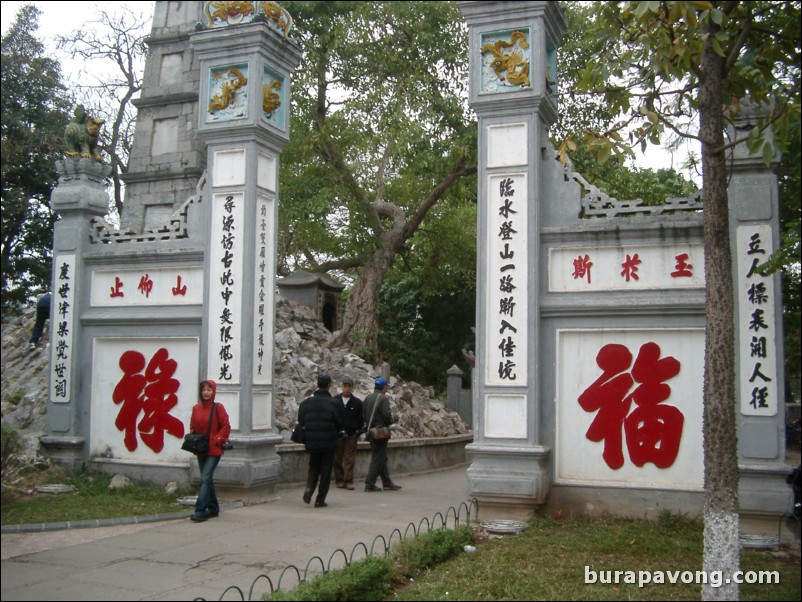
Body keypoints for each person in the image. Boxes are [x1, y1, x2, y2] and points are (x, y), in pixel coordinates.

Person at [298, 371, 343, 507]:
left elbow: (301, 421)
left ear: (317, 384)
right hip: (329, 443)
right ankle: (320, 499)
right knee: (326, 470)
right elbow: (340, 423)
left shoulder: (306, 403)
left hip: (312, 442)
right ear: (329, 385)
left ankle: (308, 489)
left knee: (313, 467)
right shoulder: (334, 403)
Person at [188, 380, 231, 522]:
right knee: (207, 478)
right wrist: (193, 438)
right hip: (201, 448)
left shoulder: (218, 408)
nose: (206, 392)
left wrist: (218, 439)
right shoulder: (196, 408)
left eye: (209, 390)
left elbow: (225, 426)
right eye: (204, 390)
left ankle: (200, 509)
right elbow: (193, 425)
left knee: (205, 477)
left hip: (214, 448)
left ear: (213, 391)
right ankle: (213, 507)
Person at [362, 377, 401, 492]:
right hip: (380, 432)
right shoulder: (383, 398)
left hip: (370, 432)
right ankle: (369, 483)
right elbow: (386, 415)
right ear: (384, 387)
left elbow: (363, 414)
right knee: (378, 458)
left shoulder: (368, 398)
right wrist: (392, 421)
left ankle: (387, 482)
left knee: (381, 457)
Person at [332, 376, 364, 490]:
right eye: (344, 386)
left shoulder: (357, 403)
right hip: (338, 434)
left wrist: (356, 432)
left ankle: (348, 480)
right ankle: (339, 479)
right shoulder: (335, 401)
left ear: (352, 388)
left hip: (351, 434)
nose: (346, 389)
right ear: (341, 387)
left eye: (348, 386)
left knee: (349, 459)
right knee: (337, 458)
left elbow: (361, 419)